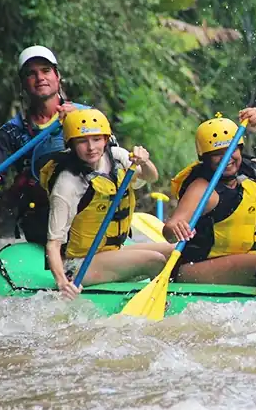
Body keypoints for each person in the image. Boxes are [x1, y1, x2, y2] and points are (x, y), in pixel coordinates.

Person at [40, 108, 167, 299]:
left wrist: (145, 162)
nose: (91, 147)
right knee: (155, 260)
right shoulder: (67, 184)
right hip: (79, 265)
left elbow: (151, 177)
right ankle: (164, 301)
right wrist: (62, 283)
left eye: (97, 139)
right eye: (82, 141)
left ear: (106, 140)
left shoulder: (118, 157)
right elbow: (53, 244)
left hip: (112, 251)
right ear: (71, 144)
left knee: (174, 252)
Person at [0, 46, 84, 243]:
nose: (40, 77)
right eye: (31, 74)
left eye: (46, 70)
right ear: (23, 84)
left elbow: (112, 165)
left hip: (85, 212)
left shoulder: (86, 116)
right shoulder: (11, 132)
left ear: (58, 77)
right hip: (41, 219)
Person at [161, 108, 256, 284]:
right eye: (216, 154)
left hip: (240, 263)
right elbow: (170, 230)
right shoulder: (202, 188)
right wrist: (176, 229)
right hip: (197, 268)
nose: (226, 159)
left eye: (231, 150)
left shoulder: (252, 169)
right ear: (204, 158)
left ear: (239, 148)